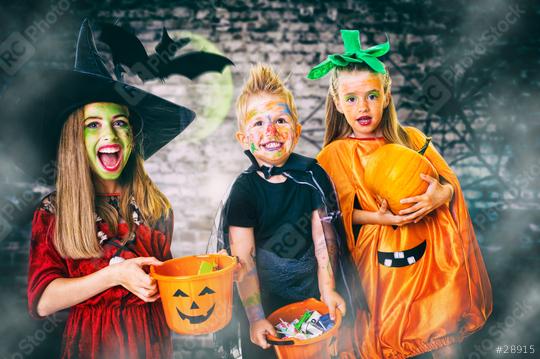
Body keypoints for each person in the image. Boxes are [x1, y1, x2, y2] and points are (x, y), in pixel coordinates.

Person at [310, 30, 493, 358]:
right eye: (351, 99)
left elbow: (449, 182)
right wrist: (379, 217)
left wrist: (441, 194)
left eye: (371, 95)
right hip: (379, 274)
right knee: (382, 344)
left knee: (441, 336)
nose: (362, 107)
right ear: (337, 102)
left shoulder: (412, 139)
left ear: (387, 95)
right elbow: (329, 216)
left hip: (429, 263)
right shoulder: (334, 155)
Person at [23, 20, 199, 359]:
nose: (110, 135)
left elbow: (162, 284)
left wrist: (206, 275)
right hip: (91, 346)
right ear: (76, 140)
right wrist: (113, 276)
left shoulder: (154, 207)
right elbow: (43, 301)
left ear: (132, 137)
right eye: (93, 125)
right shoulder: (54, 212)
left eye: (120, 122)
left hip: (150, 344)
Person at [215, 64, 356, 358]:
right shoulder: (244, 190)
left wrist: (327, 290)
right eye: (258, 123)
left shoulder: (312, 176)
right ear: (243, 139)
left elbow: (324, 243)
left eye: (280, 120)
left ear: (297, 131)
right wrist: (255, 317)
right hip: (265, 303)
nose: (271, 131)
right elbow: (245, 261)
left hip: (311, 298)